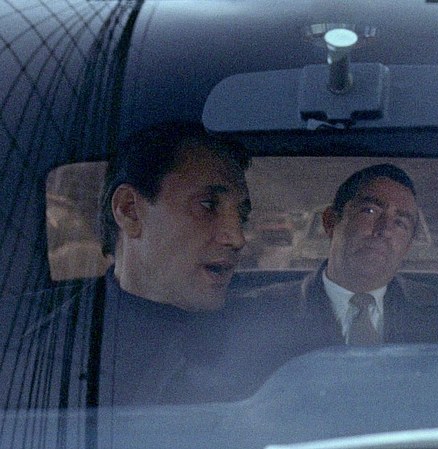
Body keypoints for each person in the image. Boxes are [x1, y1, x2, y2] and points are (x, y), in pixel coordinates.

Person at [1, 122, 254, 409]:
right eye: (208, 205)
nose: (237, 238)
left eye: (242, 216)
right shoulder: (42, 355)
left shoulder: (265, 334)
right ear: (129, 211)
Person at [242, 163, 438, 357]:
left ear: (408, 246)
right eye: (370, 211)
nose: (384, 230)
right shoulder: (259, 314)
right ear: (330, 222)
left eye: (400, 222)